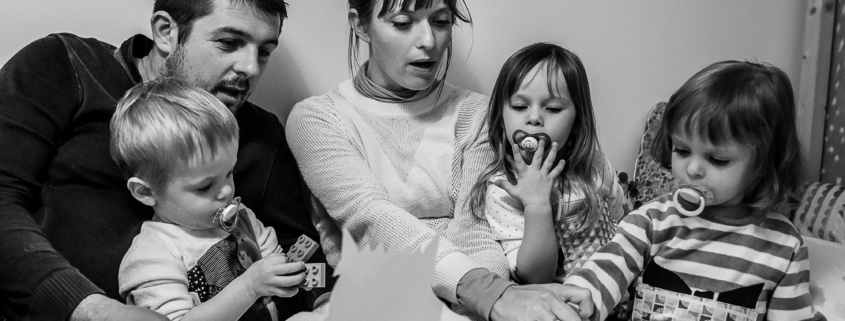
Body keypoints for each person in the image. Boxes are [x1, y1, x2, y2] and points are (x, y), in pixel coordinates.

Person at [0, 1, 332, 320]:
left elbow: (298, 247)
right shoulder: (68, 65)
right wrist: (85, 308)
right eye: (230, 42)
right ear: (165, 32)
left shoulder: (261, 134)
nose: (251, 67)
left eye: (264, 51)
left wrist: (326, 302)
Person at [285, 1, 592, 320]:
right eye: (403, 23)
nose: (429, 41)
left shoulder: (476, 113)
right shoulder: (318, 119)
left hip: (467, 300)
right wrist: (490, 293)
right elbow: (372, 218)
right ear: (360, 25)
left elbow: (476, 232)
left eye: (441, 22)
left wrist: (494, 300)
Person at [564, 61, 823, 321]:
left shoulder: (784, 245)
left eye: (718, 159)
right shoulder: (653, 221)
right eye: (682, 151)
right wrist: (574, 302)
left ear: (764, 166)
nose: (693, 169)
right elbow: (605, 272)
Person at [114, 78, 310, 321]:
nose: (226, 191)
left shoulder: (240, 217)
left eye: (229, 173)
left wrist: (288, 274)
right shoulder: (153, 255)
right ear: (146, 192)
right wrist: (250, 286)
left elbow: (274, 261)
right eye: (204, 186)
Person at [468, 43, 626, 285]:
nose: (533, 118)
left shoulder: (594, 164)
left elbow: (623, 224)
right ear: (501, 120)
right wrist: (537, 204)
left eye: (552, 108)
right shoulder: (505, 188)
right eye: (520, 107)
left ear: (577, 122)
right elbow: (535, 278)